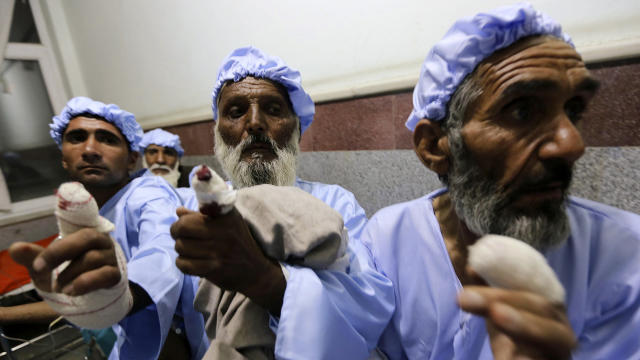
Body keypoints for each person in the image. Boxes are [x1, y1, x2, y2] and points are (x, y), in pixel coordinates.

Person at [360, 3, 640, 359]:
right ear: (434, 147)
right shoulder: (387, 239)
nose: (573, 145)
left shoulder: (628, 260)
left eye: (574, 110)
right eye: (522, 110)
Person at [171, 46, 395, 359]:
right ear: (219, 134)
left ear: (296, 129)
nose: (254, 123)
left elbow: (369, 309)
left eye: (273, 110)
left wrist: (260, 276)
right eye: (236, 112)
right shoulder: (192, 211)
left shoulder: (334, 202)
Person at [9, 97, 207, 359]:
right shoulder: (88, 214)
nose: (90, 149)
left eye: (107, 139)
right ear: (63, 158)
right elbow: (80, 299)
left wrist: (117, 298)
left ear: (132, 159)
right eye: (77, 137)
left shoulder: (148, 194)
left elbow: (164, 250)